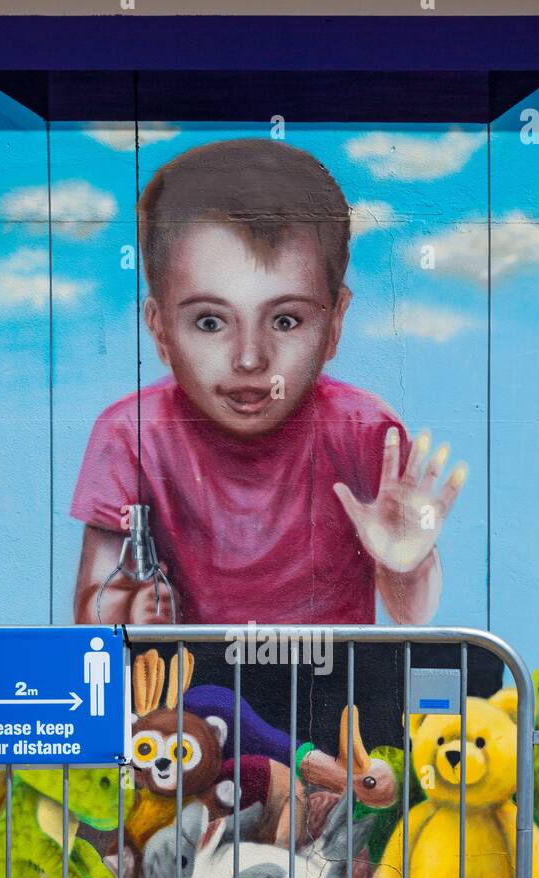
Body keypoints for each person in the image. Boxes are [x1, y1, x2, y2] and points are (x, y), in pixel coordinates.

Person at [71, 137, 501, 745]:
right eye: (210, 322)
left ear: (336, 324)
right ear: (159, 330)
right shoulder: (130, 435)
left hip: (333, 704)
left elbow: (413, 613)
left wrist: (406, 561)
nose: (250, 358)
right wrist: (125, 609)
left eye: (287, 320)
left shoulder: (365, 432)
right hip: (194, 713)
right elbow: (91, 609)